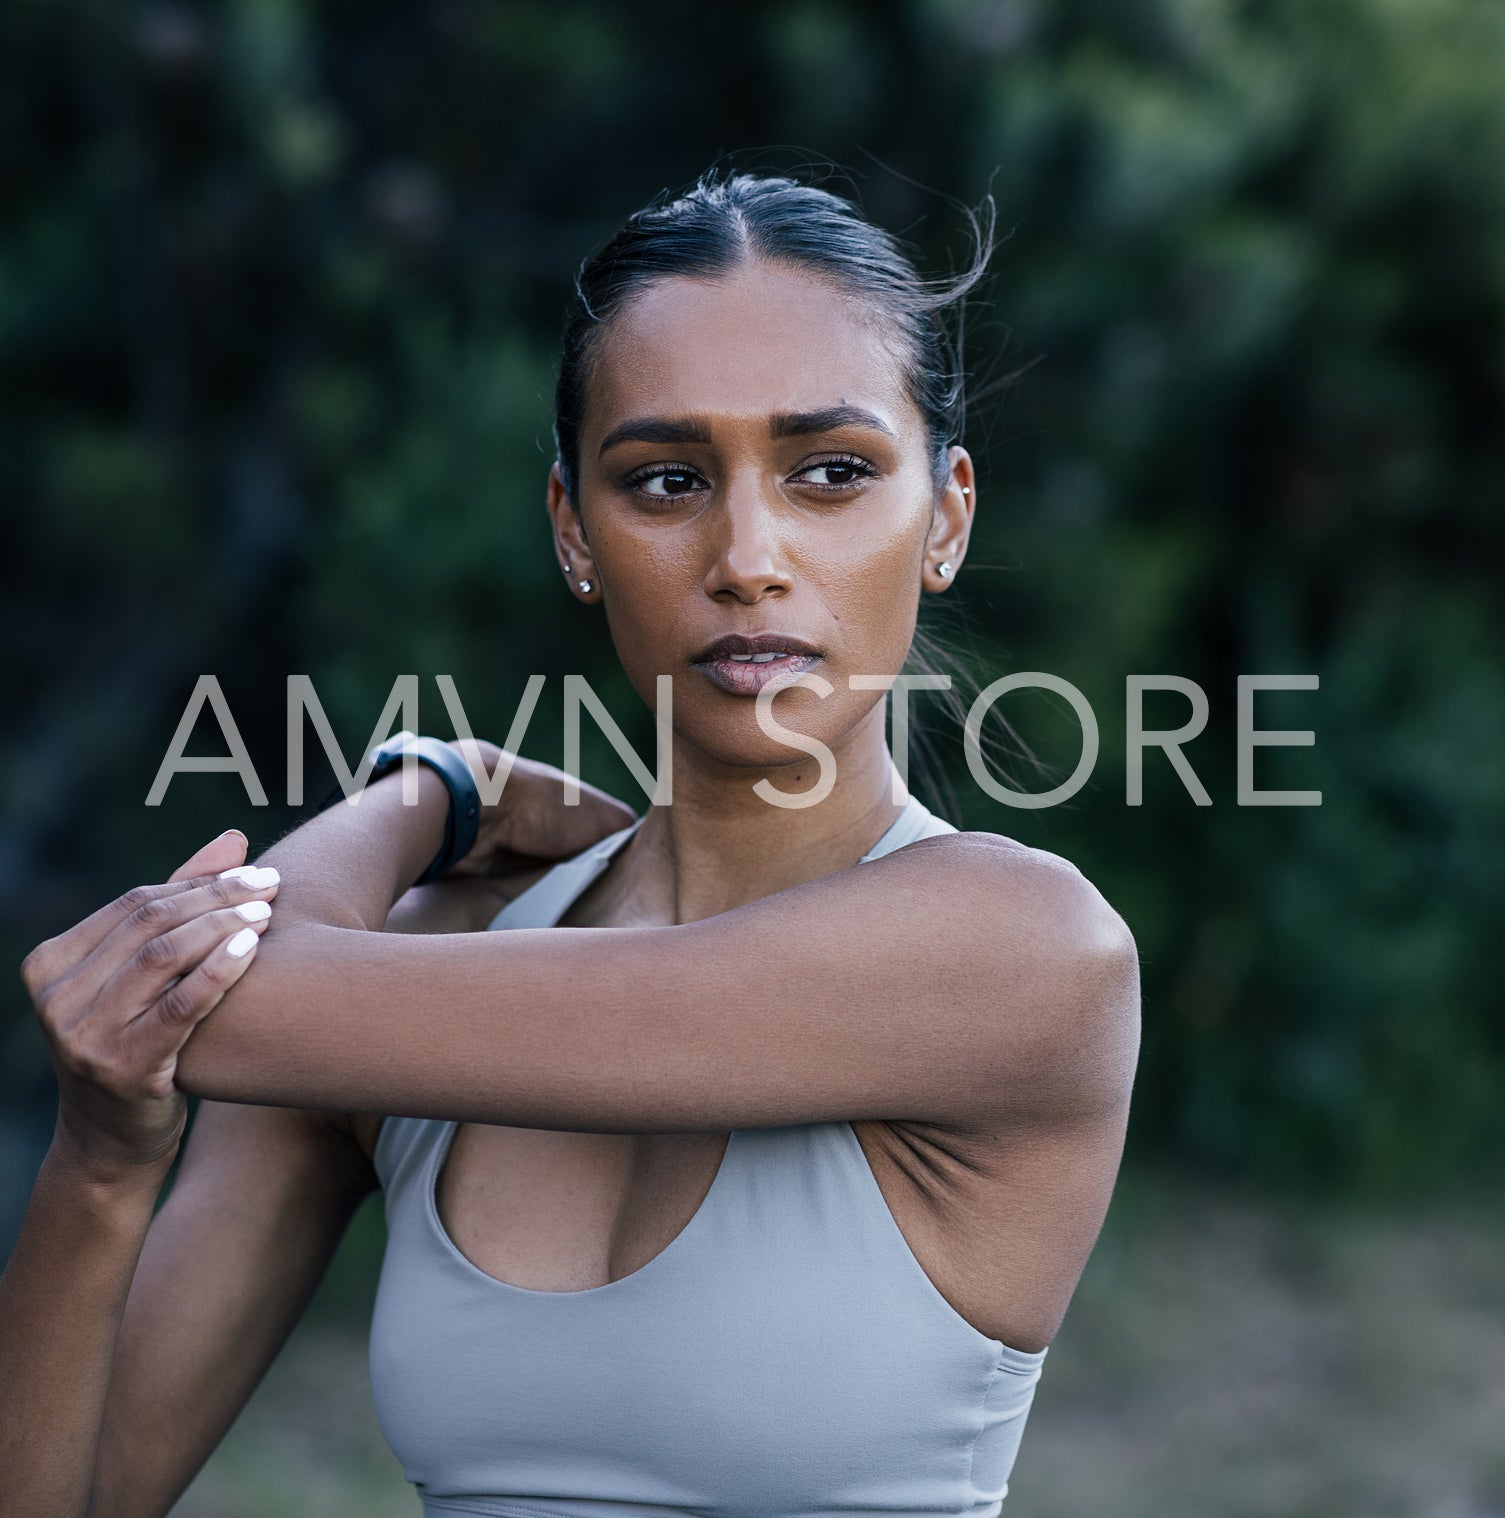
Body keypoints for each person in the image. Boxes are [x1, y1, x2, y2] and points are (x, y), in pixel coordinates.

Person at [4, 169, 1141, 1517]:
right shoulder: (431, 965)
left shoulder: (1018, 952)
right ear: (573, 531)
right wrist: (103, 1155)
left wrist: (429, 787)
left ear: (944, 514)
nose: (748, 554)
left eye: (830, 472)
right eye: (665, 479)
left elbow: (212, 1005)